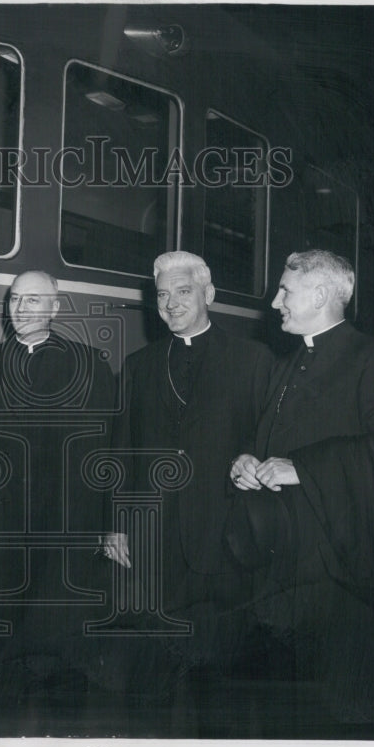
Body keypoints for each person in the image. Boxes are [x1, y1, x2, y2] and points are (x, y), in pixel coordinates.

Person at [226, 249, 374, 723]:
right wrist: (244, 462)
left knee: (332, 720)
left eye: (286, 291)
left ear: (323, 294)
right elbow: (266, 443)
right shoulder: (287, 363)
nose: (275, 303)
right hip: (278, 573)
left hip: (338, 578)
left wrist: (302, 468)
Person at [0, 270, 117, 700]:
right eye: (14, 300)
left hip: (64, 515)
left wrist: (105, 521)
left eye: (32, 300)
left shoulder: (90, 365)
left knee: (57, 613)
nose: (21, 309)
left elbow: (104, 451)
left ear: (55, 308)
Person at [111, 251, 273, 684]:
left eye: (183, 292)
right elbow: (122, 451)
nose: (171, 304)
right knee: (158, 667)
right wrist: (117, 525)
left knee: (221, 669)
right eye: (163, 295)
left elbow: (267, 441)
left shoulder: (253, 360)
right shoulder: (138, 366)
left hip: (224, 530)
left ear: (210, 294)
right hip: (154, 534)